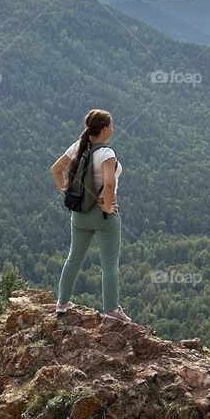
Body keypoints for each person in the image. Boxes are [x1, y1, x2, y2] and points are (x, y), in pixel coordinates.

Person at [51, 108, 131, 321]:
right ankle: (112, 310)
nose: (112, 130)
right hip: (104, 217)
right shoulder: (107, 153)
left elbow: (56, 170)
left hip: (79, 215)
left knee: (73, 259)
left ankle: (62, 303)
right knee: (109, 264)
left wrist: (66, 192)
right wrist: (105, 206)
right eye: (111, 126)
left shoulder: (78, 147)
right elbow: (110, 182)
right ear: (105, 129)